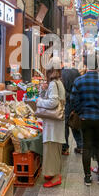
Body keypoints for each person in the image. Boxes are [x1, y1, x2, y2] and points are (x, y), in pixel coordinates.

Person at [71, 54, 99, 186]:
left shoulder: (79, 81)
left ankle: (87, 178)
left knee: (87, 147)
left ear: (85, 65)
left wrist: (80, 112)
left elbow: (73, 101)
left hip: (85, 118)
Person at [36, 58, 65, 188]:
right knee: (53, 149)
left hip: (53, 124)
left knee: (52, 149)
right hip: (55, 123)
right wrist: (43, 90)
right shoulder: (57, 82)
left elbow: (53, 102)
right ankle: (51, 172)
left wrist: (39, 102)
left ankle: (56, 176)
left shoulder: (54, 84)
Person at [61, 63, 83, 155]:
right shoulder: (76, 72)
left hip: (66, 101)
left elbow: (62, 89)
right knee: (75, 123)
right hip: (75, 100)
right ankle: (80, 146)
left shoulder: (61, 73)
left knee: (65, 125)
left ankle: (65, 148)